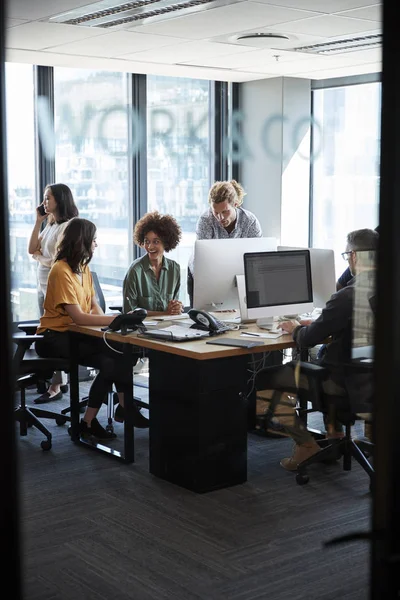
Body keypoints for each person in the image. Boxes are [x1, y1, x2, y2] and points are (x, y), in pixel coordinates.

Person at [256, 228, 378, 471]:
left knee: (266, 379)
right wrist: (325, 324)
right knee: (328, 361)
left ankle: (306, 445)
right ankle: (334, 439)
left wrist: (294, 328)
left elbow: (308, 339)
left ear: (354, 256)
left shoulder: (347, 296)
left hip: (341, 386)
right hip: (374, 384)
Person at [35, 217, 148, 440]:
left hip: (76, 335)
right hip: (54, 338)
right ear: (82, 241)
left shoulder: (83, 268)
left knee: (117, 355)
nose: (96, 244)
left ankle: (91, 421)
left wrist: (113, 324)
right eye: (94, 239)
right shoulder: (60, 270)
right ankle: (124, 408)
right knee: (112, 359)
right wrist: (115, 319)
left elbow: (94, 306)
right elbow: (77, 316)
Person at [28, 183, 79, 403]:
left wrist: (40, 257)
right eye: (44, 198)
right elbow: (32, 249)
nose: (44, 202)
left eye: (48, 198)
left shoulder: (67, 226)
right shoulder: (50, 224)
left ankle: (56, 385)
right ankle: (59, 381)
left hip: (55, 285)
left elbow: (58, 260)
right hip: (43, 284)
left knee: (55, 331)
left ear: (60, 199)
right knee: (50, 329)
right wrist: (38, 221)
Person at [188, 179, 262, 306]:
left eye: (225, 211)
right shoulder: (206, 220)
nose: (220, 217)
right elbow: (203, 260)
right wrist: (218, 298)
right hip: (203, 274)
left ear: (236, 204)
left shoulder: (250, 222)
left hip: (237, 275)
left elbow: (256, 259)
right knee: (205, 317)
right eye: (216, 212)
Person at [123, 211, 183, 316]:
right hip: (140, 329)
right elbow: (129, 311)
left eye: (156, 242)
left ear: (166, 242)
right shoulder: (135, 271)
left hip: (169, 327)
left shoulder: (175, 269)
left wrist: (176, 307)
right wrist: (164, 313)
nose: (150, 247)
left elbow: (173, 306)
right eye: (147, 241)